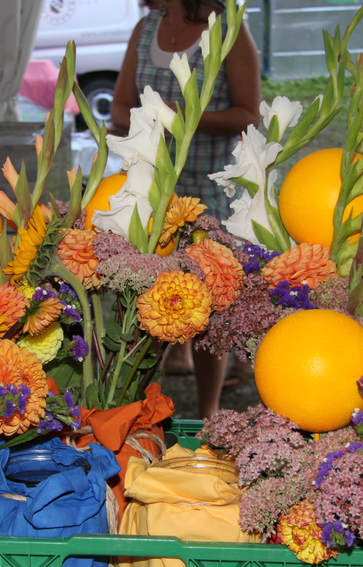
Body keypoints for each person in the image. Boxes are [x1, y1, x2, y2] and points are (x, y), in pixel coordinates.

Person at [110, 0, 262, 419]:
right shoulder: (146, 29)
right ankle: (141, 411)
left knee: (210, 309)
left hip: (208, 192)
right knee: (146, 301)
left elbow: (249, 113)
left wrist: (182, 118)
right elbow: (119, 107)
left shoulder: (229, 30)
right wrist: (146, 121)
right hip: (150, 191)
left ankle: (210, 412)